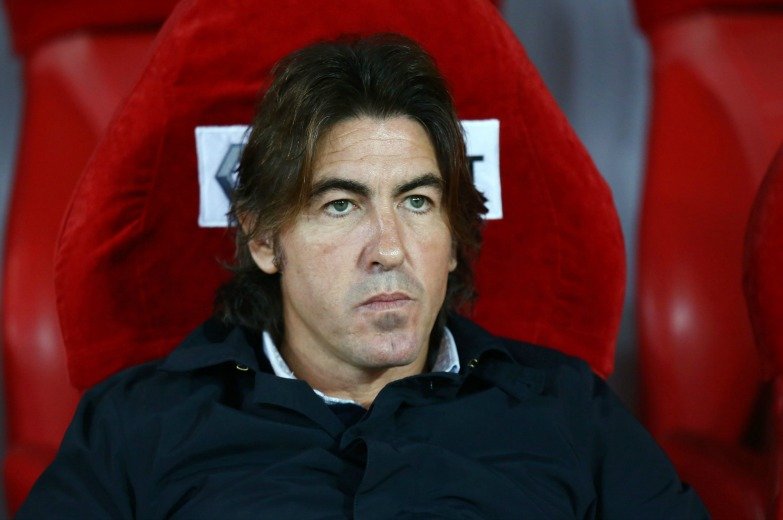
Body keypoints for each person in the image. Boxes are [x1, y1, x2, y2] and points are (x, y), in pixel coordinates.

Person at [18, 34, 708, 518]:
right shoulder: (139, 424)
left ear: (453, 239)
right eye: (341, 205)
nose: (389, 249)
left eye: (417, 202)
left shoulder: (565, 408)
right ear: (264, 239)